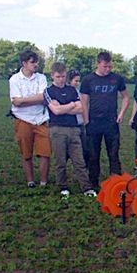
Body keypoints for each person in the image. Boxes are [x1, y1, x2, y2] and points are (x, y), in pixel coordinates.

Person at [80, 51, 129, 193]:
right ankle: (93, 182)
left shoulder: (117, 79)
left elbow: (126, 97)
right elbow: (83, 101)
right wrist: (86, 120)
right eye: (104, 67)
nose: (107, 69)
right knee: (93, 154)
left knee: (113, 154)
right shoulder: (88, 80)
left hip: (111, 123)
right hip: (94, 122)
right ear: (98, 64)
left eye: (110, 67)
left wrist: (121, 114)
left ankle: (116, 182)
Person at [44, 62, 92, 196]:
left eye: (63, 76)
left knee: (79, 161)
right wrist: (71, 106)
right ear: (52, 75)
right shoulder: (48, 91)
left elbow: (80, 108)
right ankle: (62, 186)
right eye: (58, 77)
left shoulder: (71, 90)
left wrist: (65, 106)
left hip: (74, 129)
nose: (61, 79)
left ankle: (86, 187)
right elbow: (55, 111)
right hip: (57, 129)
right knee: (60, 161)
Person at [8, 50, 51, 188]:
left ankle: (43, 182)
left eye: (36, 62)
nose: (35, 65)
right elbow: (15, 102)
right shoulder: (14, 79)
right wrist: (34, 99)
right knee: (26, 153)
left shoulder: (41, 78)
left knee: (45, 152)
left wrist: (23, 100)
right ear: (24, 63)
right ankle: (30, 181)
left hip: (41, 119)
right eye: (32, 62)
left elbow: (42, 97)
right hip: (22, 119)